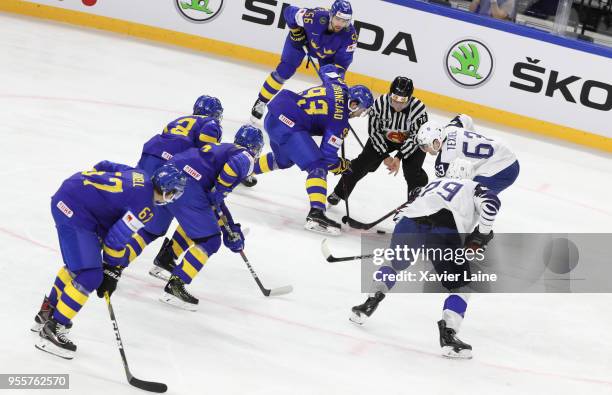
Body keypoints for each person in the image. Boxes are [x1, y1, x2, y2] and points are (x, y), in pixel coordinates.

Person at [32, 161, 187, 359]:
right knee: (90, 274)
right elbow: (115, 240)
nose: (174, 197)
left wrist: (96, 198)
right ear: (168, 191)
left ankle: (47, 313)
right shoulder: (145, 208)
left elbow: (104, 165)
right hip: (74, 209)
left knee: (79, 266)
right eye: (175, 192)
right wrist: (112, 269)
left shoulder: (140, 174)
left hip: (74, 195)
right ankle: (53, 329)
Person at [350, 159, 501, 359]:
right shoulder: (473, 186)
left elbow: (400, 215)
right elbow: (492, 204)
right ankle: (449, 335)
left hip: (409, 224)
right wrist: (482, 233)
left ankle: (368, 303)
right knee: (461, 288)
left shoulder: (431, 185)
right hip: (443, 231)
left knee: (393, 265)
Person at [250, 65, 374, 235]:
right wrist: (341, 166)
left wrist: (340, 77)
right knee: (318, 166)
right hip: (289, 124)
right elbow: (328, 157)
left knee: (283, 161)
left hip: (274, 113)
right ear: (353, 104)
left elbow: (329, 68)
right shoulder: (340, 123)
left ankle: (242, 170)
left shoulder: (339, 85)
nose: (360, 115)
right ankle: (316, 214)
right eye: (361, 110)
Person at [158, 126, 265, 310]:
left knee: (200, 220)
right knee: (211, 240)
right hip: (188, 186)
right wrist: (220, 192)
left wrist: (231, 227)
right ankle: (176, 283)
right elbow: (230, 173)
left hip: (168, 176)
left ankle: (167, 257)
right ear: (256, 148)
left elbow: (215, 203)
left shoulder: (224, 149)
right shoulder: (246, 156)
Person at [134, 95, 224, 281]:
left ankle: (113, 262)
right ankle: (167, 257)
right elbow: (204, 157)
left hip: (149, 158)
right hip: (172, 167)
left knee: (144, 217)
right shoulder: (210, 124)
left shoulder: (179, 120)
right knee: (194, 211)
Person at [328, 76, 429, 206]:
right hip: (383, 138)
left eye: (403, 101)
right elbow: (374, 132)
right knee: (361, 164)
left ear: (409, 98)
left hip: (409, 142)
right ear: (390, 94)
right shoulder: (379, 104)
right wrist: (384, 156)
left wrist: (398, 157)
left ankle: (417, 204)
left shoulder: (419, 109)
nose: (398, 104)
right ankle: (339, 192)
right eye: (395, 99)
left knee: (413, 172)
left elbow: (416, 137)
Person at [250, 0, 358, 122]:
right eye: (338, 19)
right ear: (331, 14)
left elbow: (342, 63)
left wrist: (336, 81)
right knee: (284, 71)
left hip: (327, 57)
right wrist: (296, 31)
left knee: (333, 87)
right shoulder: (315, 17)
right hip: (300, 43)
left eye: (345, 21)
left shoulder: (350, 35)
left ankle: (323, 118)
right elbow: (288, 11)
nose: (340, 24)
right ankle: (262, 100)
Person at [417, 114, 519, 194]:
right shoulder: (450, 127)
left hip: (504, 168)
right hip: (505, 153)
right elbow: (464, 117)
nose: (426, 150)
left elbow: (442, 187)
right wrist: (472, 136)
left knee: (474, 201)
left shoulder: (443, 160)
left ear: (436, 141)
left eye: (426, 146)